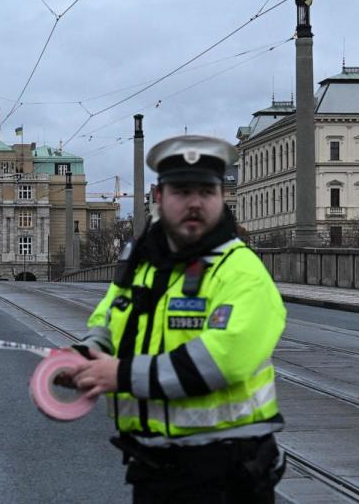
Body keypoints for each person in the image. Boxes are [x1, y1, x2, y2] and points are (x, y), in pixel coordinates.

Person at [62, 134, 286, 503]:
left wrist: (118, 374)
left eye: (207, 192)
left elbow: (222, 360)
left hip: (226, 471)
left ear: (221, 198)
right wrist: (83, 356)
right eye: (182, 191)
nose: (195, 203)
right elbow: (109, 322)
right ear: (159, 197)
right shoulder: (143, 264)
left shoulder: (241, 269)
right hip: (153, 466)